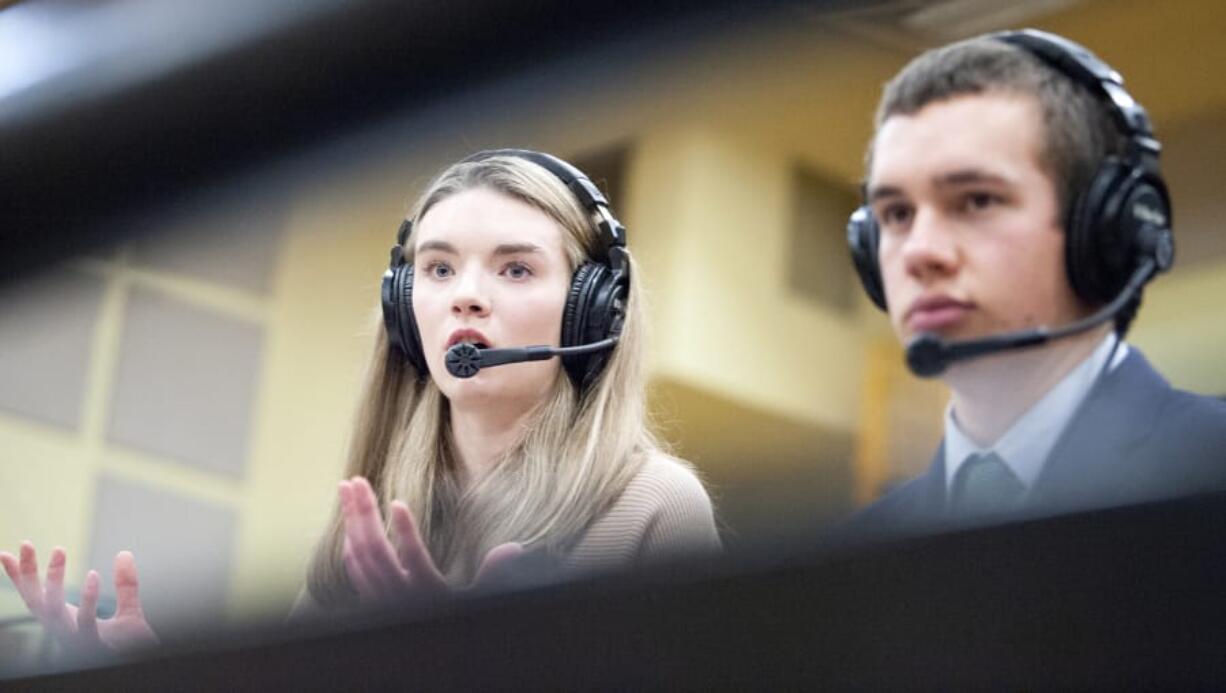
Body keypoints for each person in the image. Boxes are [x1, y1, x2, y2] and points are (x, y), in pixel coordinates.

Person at [2, 149, 720, 653]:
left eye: (516, 267)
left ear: (593, 311)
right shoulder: (373, 522)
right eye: (438, 267)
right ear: (406, 309)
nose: (466, 292)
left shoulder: (655, 506)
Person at [842, 29, 1226, 539]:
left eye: (976, 200)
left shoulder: (1209, 467)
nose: (919, 252)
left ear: (1104, 231)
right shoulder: (865, 550)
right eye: (896, 214)